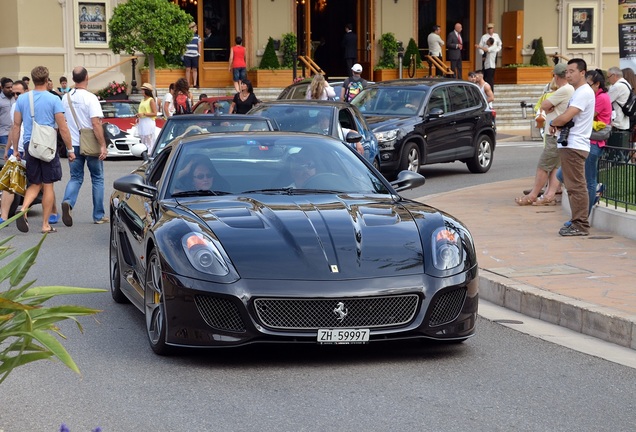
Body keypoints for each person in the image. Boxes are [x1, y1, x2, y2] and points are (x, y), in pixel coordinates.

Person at [10, 66, 75, 234]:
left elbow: (16, 126)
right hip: (47, 146)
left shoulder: (23, 99)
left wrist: (16, 149)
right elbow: (63, 127)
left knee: (35, 183)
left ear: (32, 80)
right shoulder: (54, 99)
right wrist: (70, 149)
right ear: (47, 81)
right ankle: (45, 224)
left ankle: (23, 208)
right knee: (48, 185)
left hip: (29, 146)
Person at [548, 58, 595, 236]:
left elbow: (568, 115)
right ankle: (577, 222)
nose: (568, 75)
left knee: (576, 187)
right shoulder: (578, 91)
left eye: (571, 71)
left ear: (582, 73)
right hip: (571, 144)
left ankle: (580, 225)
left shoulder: (583, 92)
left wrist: (554, 121)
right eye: (566, 72)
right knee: (574, 186)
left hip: (575, 145)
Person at [516, 63, 573, 207]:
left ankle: (533, 195)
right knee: (555, 167)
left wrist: (549, 108)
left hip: (553, 134)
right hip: (560, 133)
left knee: (543, 165)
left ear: (555, 76)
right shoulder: (569, 89)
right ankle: (549, 195)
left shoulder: (563, 90)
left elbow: (544, 105)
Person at [60, 66, 109, 227]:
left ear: (73, 79)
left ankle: (68, 201)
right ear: (87, 77)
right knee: (97, 178)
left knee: (76, 177)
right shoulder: (91, 98)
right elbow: (95, 123)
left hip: (73, 143)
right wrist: (103, 145)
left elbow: (63, 124)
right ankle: (98, 215)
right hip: (90, 143)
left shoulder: (65, 98)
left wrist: (68, 147)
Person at [583, 69, 612, 215]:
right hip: (587, 141)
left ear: (597, 84)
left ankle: (583, 216)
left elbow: (585, 116)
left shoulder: (601, 98)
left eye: (588, 84)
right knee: (562, 175)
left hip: (594, 143)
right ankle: (595, 191)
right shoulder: (594, 96)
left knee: (590, 181)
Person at [0, 80, 25, 224]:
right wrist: (8, 147)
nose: (15, 96)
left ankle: (52, 213)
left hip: (31, 149)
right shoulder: (14, 106)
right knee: (9, 183)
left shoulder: (32, 103)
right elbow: (13, 127)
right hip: (17, 150)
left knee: (39, 184)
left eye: (18, 93)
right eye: (14, 93)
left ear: (26, 91)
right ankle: (3, 217)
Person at [607, 67, 632, 150]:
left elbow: (606, 101)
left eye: (608, 77)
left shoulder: (617, 86)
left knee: (614, 153)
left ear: (614, 75)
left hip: (617, 123)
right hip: (624, 122)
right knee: (621, 153)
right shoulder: (626, 84)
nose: (608, 80)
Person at [477, 23, 502, 90]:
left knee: (490, 76)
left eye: (491, 28)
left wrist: (497, 50)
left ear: (493, 29)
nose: (490, 30)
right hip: (485, 55)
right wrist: (482, 53)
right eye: (489, 29)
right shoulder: (484, 37)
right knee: (485, 75)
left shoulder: (496, 36)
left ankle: (490, 90)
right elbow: (482, 47)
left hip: (492, 54)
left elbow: (499, 45)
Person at [136, 83, 158, 153]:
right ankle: (144, 152)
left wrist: (144, 113)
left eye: (143, 90)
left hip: (148, 121)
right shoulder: (143, 100)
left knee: (149, 139)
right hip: (142, 121)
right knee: (143, 138)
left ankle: (150, 153)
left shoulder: (151, 100)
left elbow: (155, 113)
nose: (142, 92)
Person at [184, 22, 201, 88]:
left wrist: (199, 54)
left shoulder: (197, 36)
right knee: (188, 69)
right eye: (195, 28)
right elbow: (183, 45)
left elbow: (199, 45)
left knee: (195, 69)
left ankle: (194, 84)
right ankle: (187, 84)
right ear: (191, 28)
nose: (196, 29)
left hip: (195, 55)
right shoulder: (186, 36)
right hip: (187, 55)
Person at [0, 77, 14, 149]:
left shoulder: (15, 97)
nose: (10, 89)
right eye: (8, 87)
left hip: (15, 132)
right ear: (2, 88)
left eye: (12, 87)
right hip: (3, 133)